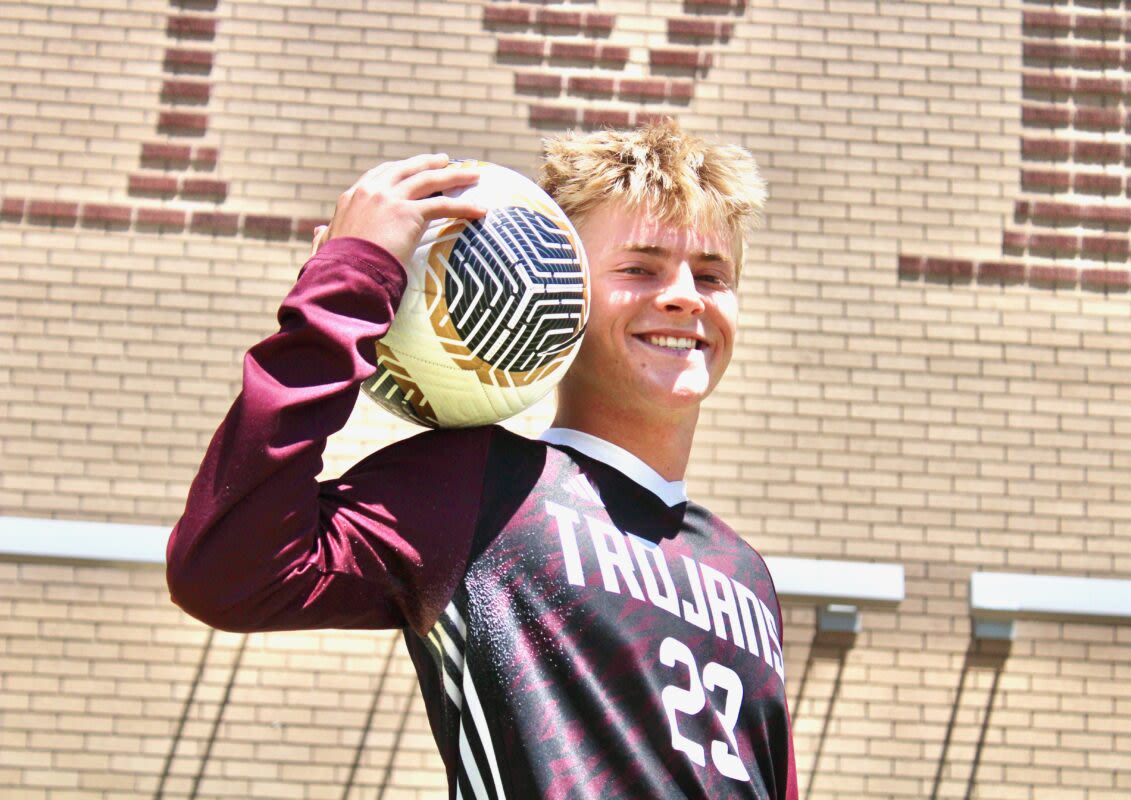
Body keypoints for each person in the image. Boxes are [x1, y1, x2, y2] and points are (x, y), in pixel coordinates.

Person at [167, 120, 799, 799]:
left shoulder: (745, 573)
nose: (684, 295)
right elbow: (225, 570)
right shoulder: (477, 488)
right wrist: (347, 284)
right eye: (639, 268)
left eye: (712, 274)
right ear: (565, 296)